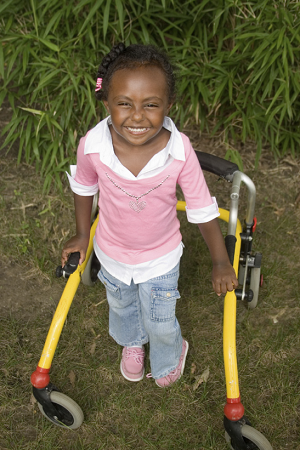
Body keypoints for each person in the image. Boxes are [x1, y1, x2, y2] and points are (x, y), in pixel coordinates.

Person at [61, 43, 238, 388]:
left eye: (151, 105)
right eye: (124, 103)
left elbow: (201, 208)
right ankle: (131, 342)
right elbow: (83, 187)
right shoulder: (93, 145)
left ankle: (171, 353)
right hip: (112, 253)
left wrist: (220, 260)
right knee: (122, 308)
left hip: (161, 257)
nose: (137, 116)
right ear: (107, 102)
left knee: (160, 319)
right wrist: (83, 235)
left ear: (169, 105)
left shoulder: (179, 150)